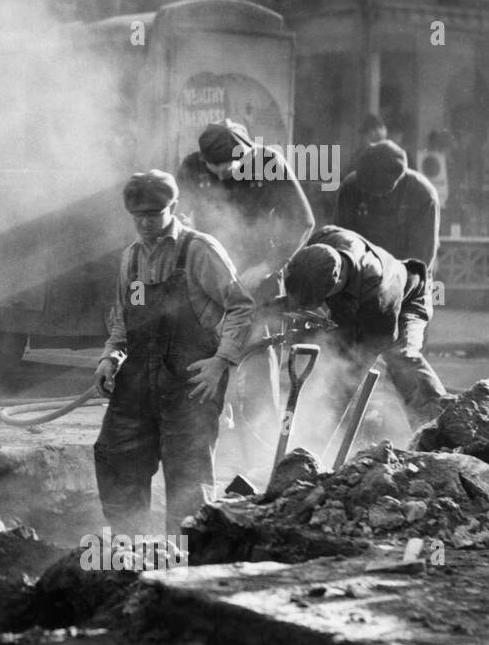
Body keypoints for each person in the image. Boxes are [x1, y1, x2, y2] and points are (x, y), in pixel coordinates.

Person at [93, 170, 254, 532]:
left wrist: (221, 362)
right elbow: (123, 319)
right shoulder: (130, 259)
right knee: (116, 459)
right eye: (138, 218)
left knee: (187, 482)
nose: (146, 224)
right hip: (136, 385)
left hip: (190, 388)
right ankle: (129, 554)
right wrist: (110, 355)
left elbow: (241, 307)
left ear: (174, 208)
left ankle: (182, 565)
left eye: (154, 215)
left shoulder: (200, 251)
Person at [176, 119, 314, 454]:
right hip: (210, 277)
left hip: (259, 276)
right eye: (216, 166)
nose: (223, 173)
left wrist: (266, 267)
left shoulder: (269, 164)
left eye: (231, 166)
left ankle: (263, 449)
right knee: (206, 354)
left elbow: (302, 221)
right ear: (203, 160)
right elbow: (177, 212)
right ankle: (208, 440)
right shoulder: (192, 168)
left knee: (256, 360)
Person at [283, 225, 448, 428]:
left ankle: (438, 428)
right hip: (353, 302)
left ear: (338, 281)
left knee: (400, 357)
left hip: (408, 299)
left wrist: (332, 416)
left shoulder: (379, 294)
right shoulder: (323, 240)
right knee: (333, 353)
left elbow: (360, 361)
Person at [333, 139, 439, 267]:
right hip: (361, 270)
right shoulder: (350, 188)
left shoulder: (422, 195)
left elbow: (421, 259)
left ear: (397, 180)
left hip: (406, 274)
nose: (373, 197)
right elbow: (341, 238)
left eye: (381, 192)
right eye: (367, 190)